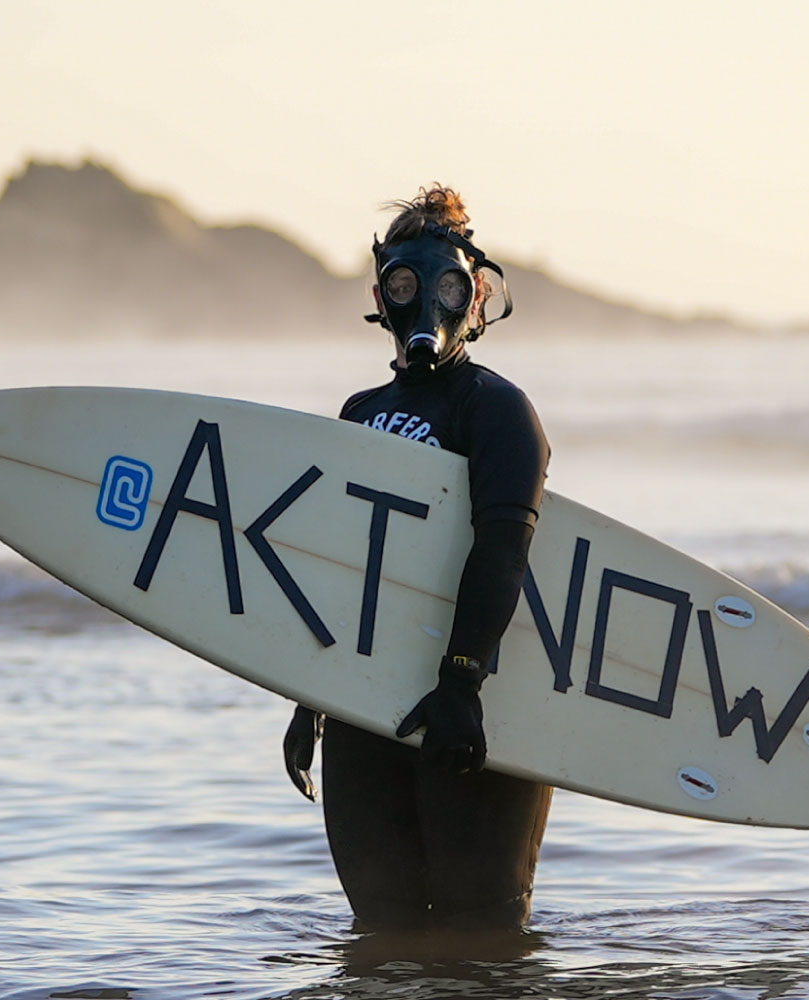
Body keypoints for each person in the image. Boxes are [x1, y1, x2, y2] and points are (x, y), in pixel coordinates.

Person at [281, 184, 553, 932]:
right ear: (380, 294)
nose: (421, 302)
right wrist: (310, 695)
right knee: (380, 937)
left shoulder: (496, 409)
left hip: (471, 705)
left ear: (476, 298)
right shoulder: (358, 413)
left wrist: (463, 682)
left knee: (485, 940)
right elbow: (339, 566)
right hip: (365, 709)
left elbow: (505, 546)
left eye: (445, 285)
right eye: (404, 284)